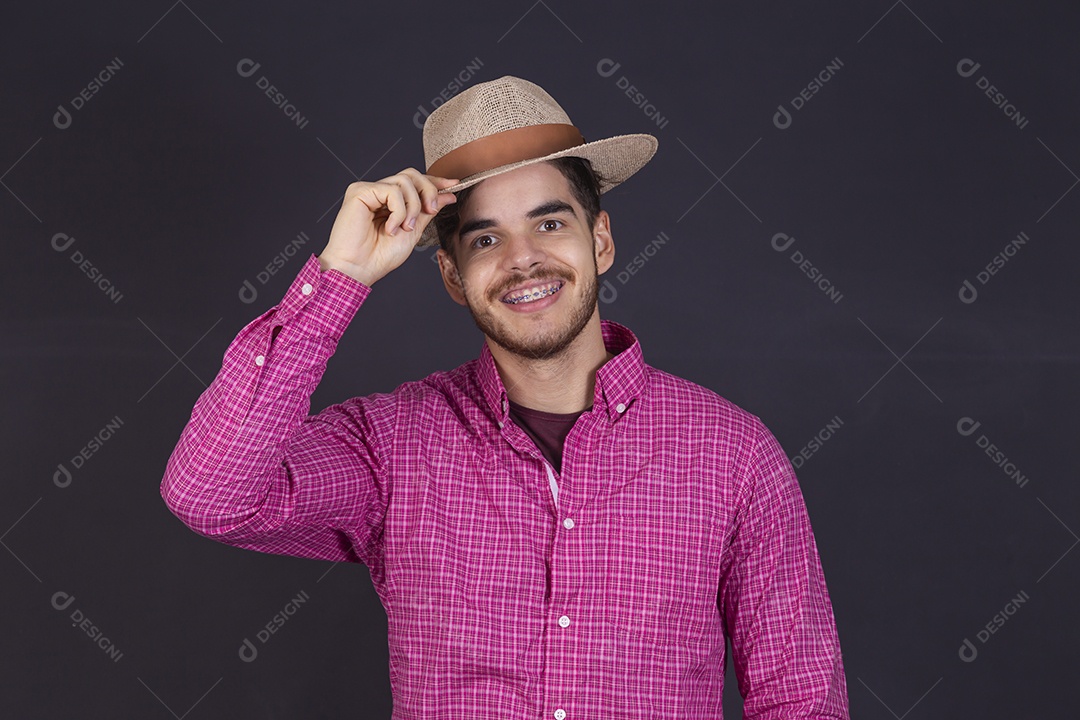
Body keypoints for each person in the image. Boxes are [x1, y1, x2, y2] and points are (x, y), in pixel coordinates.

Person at [161, 75, 850, 719]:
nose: (522, 259)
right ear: (452, 276)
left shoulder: (733, 452)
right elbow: (212, 495)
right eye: (486, 237)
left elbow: (801, 701)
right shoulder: (391, 443)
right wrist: (340, 277)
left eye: (549, 223)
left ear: (601, 239)